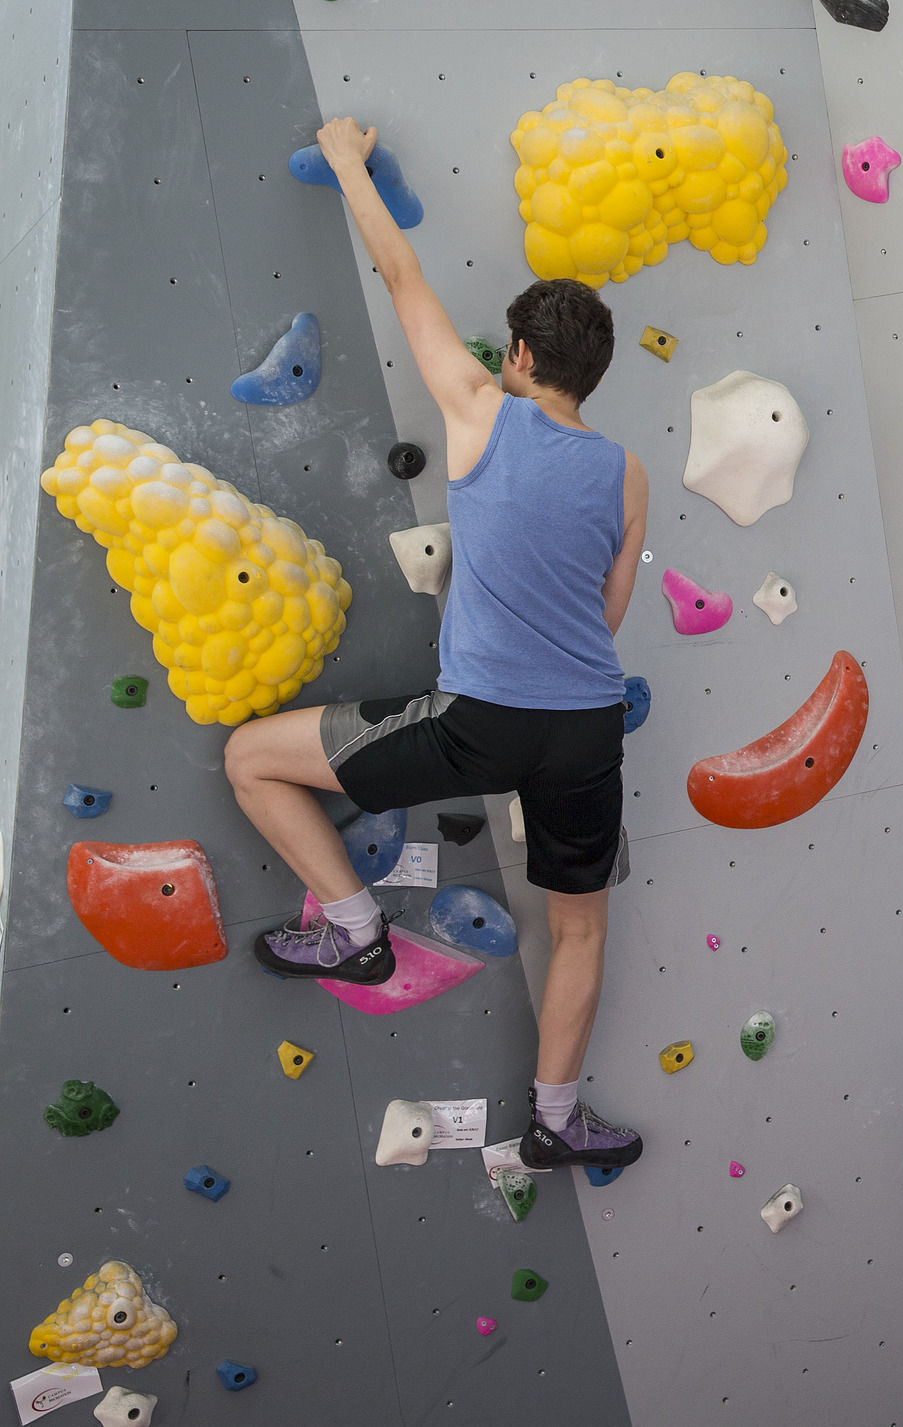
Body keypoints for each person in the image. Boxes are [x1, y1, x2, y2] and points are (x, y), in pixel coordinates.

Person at [222, 116, 650, 1172]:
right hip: (587, 727)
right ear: (592, 373)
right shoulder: (628, 472)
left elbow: (399, 269)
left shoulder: (478, 411)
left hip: (483, 722)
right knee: (581, 926)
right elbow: (607, 616)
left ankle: (357, 929)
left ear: (516, 358)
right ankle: (556, 1116)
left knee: (248, 758)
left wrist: (352, 162)